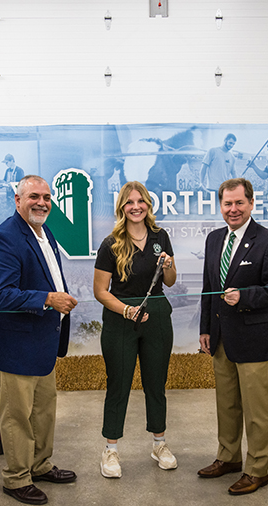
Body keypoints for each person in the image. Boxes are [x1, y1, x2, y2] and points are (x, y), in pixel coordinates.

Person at [0, 175, 78, 505]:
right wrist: (49, 299)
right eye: (34, 196)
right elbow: (1, 295)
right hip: (15, 345)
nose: (42, 202)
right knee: (17, 416)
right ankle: (16, 478)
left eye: (47, 197)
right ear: (17, 200)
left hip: (42, 341)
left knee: (43, 412)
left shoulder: (43, 231)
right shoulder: (5, 239)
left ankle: (39, 465)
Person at [197, 178, 268, 495]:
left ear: (251, 204)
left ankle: (257, 469)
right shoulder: (213, 240)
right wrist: (205, 328)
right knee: (228, 405)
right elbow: (209, 288)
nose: (232, 209)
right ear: (220, 205)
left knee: (257, 411)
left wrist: (246, 296)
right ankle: (229, 457)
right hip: (221, 337)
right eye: (227, 203)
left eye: (239, 203)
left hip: (253, 339)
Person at [93, 181, 177, 478]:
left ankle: (159, 443)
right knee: (119, 385)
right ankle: (111, 450)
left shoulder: (160, 236)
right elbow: (100, 291)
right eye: (129, 202)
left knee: (156, 383)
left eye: (140, 201)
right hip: (121, 318)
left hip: (156, 315)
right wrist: (127, 310)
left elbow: (169, 281)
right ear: (121, 208)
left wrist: (168, 264)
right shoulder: (110, 243)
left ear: (148, 205)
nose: (136, 206)